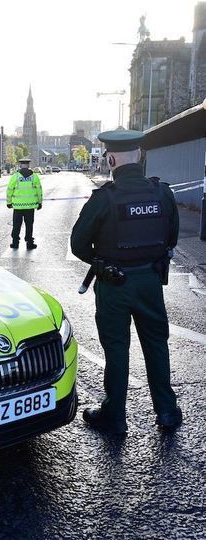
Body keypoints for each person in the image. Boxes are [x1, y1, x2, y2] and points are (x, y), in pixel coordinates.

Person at [70, 129, 182, 435]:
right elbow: (171, 238)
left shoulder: (104, 199)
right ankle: (168, 412)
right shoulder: (162, 194)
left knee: (117, 349)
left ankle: (115, 417)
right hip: (150, 282)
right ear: (141, 156)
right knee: (157, 345)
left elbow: (78, 245)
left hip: (113, 285)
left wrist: (101, 263)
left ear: (110, 159)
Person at [6, 157, 43, 249]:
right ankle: (29, 243)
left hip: (18, 207)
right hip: (30, 207)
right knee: (29, 225)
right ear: (28, 165)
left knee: (16, 225)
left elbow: (9, 190)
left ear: (21, 165)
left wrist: (9, 202)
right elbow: (39, 190)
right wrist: (39, 202)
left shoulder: (16, 176)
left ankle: (15, 243)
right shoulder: (34, 176)